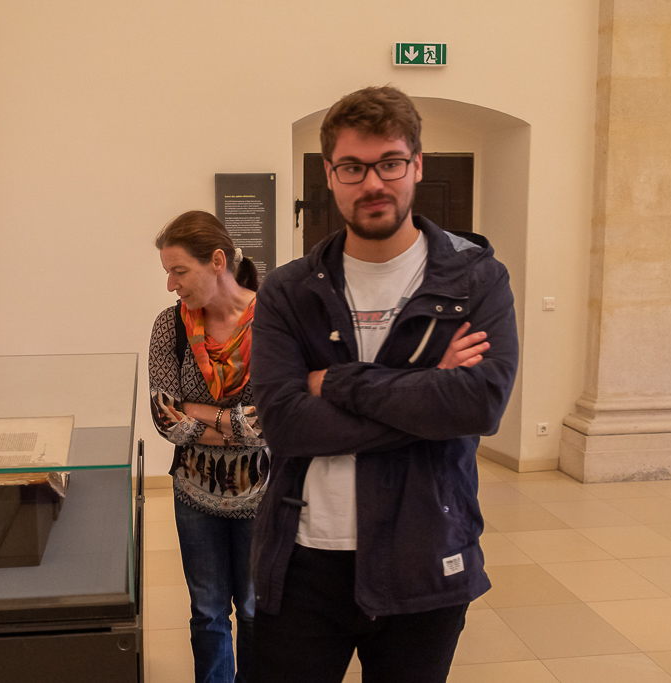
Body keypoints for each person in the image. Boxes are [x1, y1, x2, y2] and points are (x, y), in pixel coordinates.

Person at [249, 86, 519, 683]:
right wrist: (427, 391)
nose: (373, 183)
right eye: (352, 167)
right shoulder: (289, 291)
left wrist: (334, 383)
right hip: (303, 561)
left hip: (424, 555)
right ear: (330, 174)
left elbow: (478, 404)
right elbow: (285, 423)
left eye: (390, 163)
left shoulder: (476, 281)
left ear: (416, 165)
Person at [149, 210, 270, 683]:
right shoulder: (170, 326)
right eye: (168, 273)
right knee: (207, 612)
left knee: (256, 610)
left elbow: (273, 420)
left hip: (260, 494)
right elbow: (165, 416)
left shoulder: (272, 320)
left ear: (217, 261)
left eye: (179, 271)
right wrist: (235, 421)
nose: (171, 285)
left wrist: (199, 411)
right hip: (194, 492)